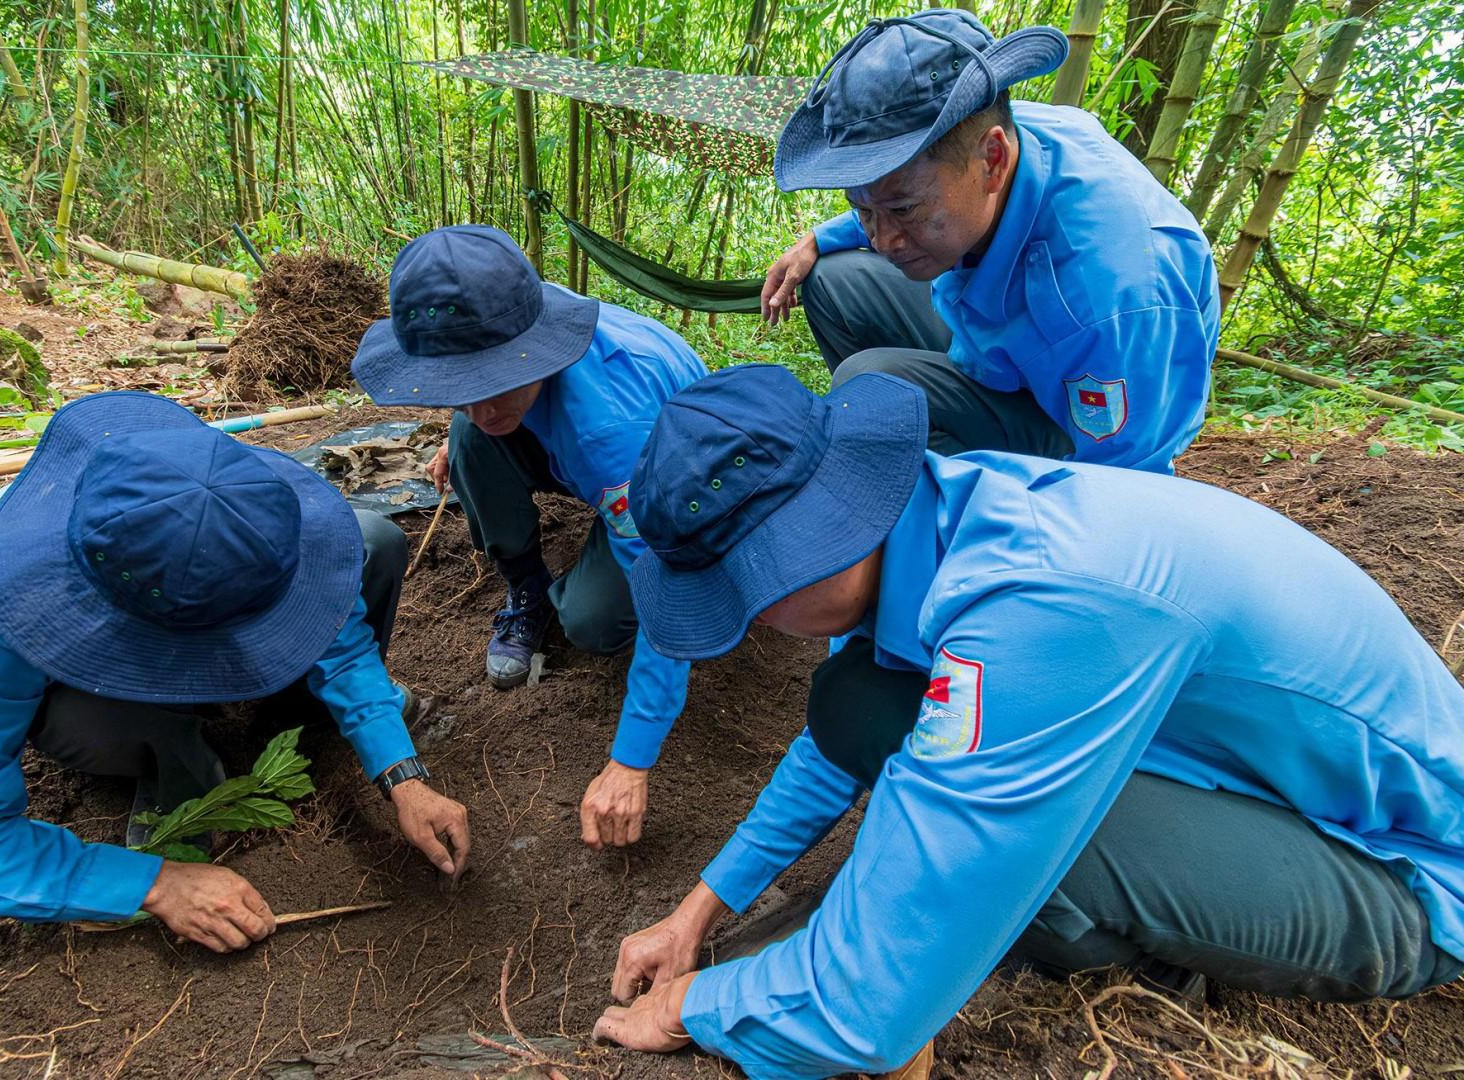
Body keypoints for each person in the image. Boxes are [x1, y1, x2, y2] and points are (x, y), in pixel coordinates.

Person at [592, 364, 1464, 1078]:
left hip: (1403, 877)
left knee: (1004, 871)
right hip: (1260, 785)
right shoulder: (944, 516)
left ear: (816, 539)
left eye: (747, 591)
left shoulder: (1036, 603)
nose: (750, 620)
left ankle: (1144, 963)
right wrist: (698, 913)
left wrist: (694, 1006)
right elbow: (835, 744)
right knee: (859, 702)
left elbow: (867, 1012)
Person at [0, 392, 471, 954]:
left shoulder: (232, 506)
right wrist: (151, 883)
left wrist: (398, 768)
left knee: (369, 539)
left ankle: (305, 711)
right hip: (95, 699)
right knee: (87, 715)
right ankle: (171, 760)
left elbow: (330, 623)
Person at [352, 225, 707, 849]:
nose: (482, 406)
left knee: (593, 623)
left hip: (678, 476)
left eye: (493, 385)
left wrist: (632, 760)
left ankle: (603, 553)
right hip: (591, 449)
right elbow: (481, 396)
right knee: (471, 441)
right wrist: (465, 428)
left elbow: (668, 591)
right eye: (458, 390)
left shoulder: (609, 433)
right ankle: (528, 590)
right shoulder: (500, 309)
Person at [760, 9, 1218, 473]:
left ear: (992, 160)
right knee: (836, 279)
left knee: (871, 381)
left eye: (902, 210)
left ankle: (946, 487)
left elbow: (1127, 480)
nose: (882, 240)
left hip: (1072, 419)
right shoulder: (994, 132)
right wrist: (819, 238)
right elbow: (894, 195)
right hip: (997, 349)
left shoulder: (1114, 299)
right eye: (864, 210)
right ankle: (891, 444)